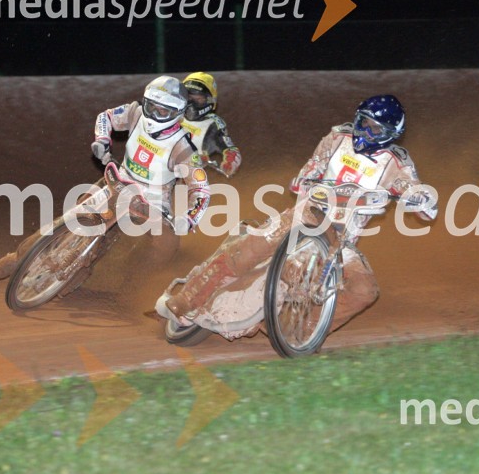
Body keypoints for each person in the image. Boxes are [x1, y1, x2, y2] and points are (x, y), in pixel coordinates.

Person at [155, 94, 438, 339]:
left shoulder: (396, 163)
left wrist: (420, 197)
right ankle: (186, 300)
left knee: (364, 290)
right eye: (363, 122)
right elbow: (312, 167)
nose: (364, 132)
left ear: (390, 134)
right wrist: (305, 180)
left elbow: (416, 192)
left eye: (375, 129)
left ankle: (303, 332)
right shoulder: (337, 138)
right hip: (307, 213)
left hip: (341, 240)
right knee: (249, 249)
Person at [0, 75, 211, 279]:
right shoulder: (136, 113)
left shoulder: (183, 149)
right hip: (118, 181)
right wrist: (102, 140)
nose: (154, 114)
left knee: (167, 244)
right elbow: (106, 116)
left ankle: (131, 284)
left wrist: (189, 219)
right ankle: (21, 257)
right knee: (73, 215)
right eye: (151, 106)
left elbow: (201, 190)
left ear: (178, 114)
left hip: (152, 204)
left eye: (163, 111)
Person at [181, 72, 242, 178]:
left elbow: (231, 150)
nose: (191, 103)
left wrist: (230, 162)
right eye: (189, 98)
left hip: (189, 176)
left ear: (210, 100)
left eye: (198, 99)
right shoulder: (172, 113)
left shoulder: (213, 125)